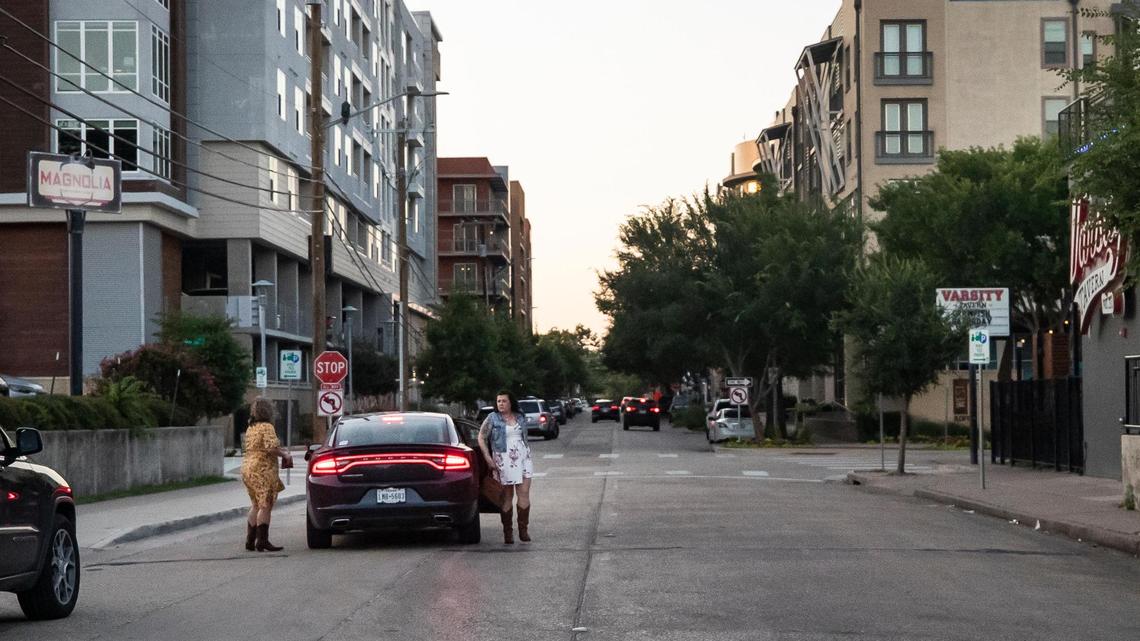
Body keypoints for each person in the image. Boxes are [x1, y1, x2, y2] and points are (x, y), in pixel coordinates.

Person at [478, 390, 534, 544]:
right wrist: (487, 457)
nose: (501, 404)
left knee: (524, 493)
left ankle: (523, 530)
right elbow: (481, 437)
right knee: (507, 496)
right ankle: (508, 533)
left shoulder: (520, 416)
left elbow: (524, 437)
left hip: (523, 457)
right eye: (498, 401)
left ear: (511, 402)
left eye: (504, 401)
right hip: (503, 459)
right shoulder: (492, 418)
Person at [241, 397, 288, 552]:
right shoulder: (267, 427)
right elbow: (270, 448)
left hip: (248, 467)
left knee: (255, 504)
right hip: (262, 469)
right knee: (265, 505)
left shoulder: (251, 427)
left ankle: (250, 540)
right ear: (269, 411)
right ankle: (262, 541)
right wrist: (285, 455)